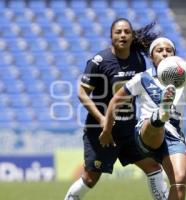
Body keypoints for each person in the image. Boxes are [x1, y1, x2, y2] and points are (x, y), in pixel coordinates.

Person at [100, 37, 186, 200]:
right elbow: (115, 100)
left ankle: (162, 114)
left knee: (179, 182)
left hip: (174, 137)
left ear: (175, 55)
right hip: (146, 134)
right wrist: (107, 129)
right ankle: (160, 115)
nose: (165, 53)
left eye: (169, 50)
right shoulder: (142, 78)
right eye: (159, 51)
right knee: (156, 124)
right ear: (151, 57)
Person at [64, 18, 169, 200]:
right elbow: (82, 93)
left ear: (132, 35)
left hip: (129, 130)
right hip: (101, 133)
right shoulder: (99, 62)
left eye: (127, 32)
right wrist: (103, 122)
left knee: (153, 167)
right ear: (111, 36)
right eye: (118, 32)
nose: (123, 35)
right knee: (90, 179)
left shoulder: (138, 60)